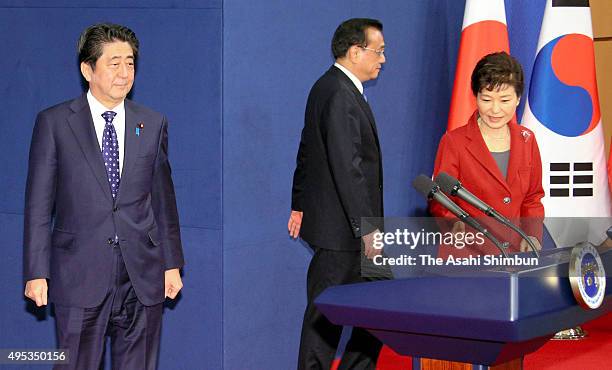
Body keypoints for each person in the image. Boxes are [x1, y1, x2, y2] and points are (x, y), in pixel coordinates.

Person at [23, 23, 184, 370]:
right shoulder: (54, 123)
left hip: (141, 274)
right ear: (87, 69)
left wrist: (172, 263)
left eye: (130, 63)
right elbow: (38, 206)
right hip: (78, 273)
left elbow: (163, 201)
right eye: (114, 63)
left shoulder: (152, 122)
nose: (125, 73)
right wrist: (37, 272)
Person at [288, 18, 386, 370]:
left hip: (343, 229)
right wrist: (369, 229)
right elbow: (349, 168)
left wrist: (299, 203)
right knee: (325, 322)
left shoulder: (327, 87)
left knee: (373, 313)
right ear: (355, 51)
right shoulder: (340, 94)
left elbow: (306, 151)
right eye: (379, 51)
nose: (383, 59)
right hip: (344, 234)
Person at [431, 51, 545, 255]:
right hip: (467, 254)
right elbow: (440, 198)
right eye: (486, 99)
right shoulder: (454, 142)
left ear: (518, 99)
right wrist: (454, 223)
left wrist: (533, 235)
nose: (495, 109)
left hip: (514, 253)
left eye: (504, 100)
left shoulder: (527, 140)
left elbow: (532, 198)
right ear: (475, 97)